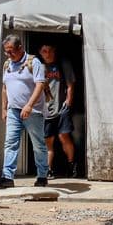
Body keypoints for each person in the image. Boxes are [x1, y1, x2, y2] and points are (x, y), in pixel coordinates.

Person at [0, 34, 49, 188]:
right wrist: (4, 108)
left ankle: (42, 175)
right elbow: (5, 87)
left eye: (11, 51)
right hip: (14, 110)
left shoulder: (33, 62)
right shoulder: (7, 64)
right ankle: (7, 177)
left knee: (38, 144)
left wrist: (29, 105)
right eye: (6, 52)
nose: (9, 55)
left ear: (20, 48)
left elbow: (40, 84)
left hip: (33, 111)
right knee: (10, 142)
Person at [39, 44, 78, 179]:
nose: (47, 53)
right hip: (46, 109)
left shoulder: (62, 64)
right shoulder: (39, 67)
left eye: (50, 50)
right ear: (40, 53)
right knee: (48, 140)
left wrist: (68, 101)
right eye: (44, 51)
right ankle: (48, 170)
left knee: (63, 136)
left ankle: (71, 165)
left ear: (54, 51)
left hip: (61, 107)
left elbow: (70, 84)